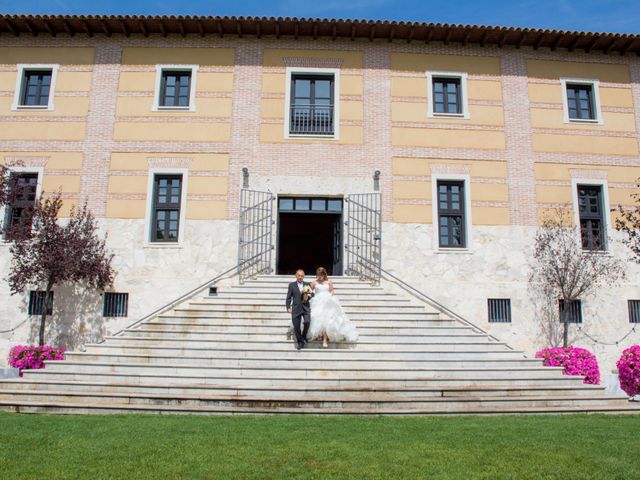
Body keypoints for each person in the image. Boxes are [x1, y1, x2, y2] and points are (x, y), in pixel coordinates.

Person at [308, 267, 358, 348]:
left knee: (328, 320)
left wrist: (329, 295)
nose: (319, 277)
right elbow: (309, 291)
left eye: (321, 275)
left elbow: (331, 290)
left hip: (328, 302)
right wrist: (308, 295)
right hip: (317, 302)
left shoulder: (329, 281)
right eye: (318, 275)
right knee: (318, 320)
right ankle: (319, 335)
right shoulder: (314, 282)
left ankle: (325, 339)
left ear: (324, 274)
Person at [285, 269, 311, 350]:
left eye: (302, 276)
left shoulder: (307, 284)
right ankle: (300, 342)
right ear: (296, 276)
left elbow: (312, 294)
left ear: (304, 276)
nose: (300, 277)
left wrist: (309, 296)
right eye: (299, 275)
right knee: (296, 326)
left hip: (305, 307)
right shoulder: (291, 285)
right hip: (296, 308)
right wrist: (288, 307)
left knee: (307, 322)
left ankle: (303, 336)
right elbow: (288, 297)